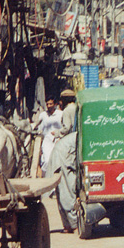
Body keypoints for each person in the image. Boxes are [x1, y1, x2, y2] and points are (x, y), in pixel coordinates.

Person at [45, 90, 78, 232]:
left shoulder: (67, 111)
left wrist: (56, 133)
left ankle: (71, 223)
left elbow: (67, 128)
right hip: (76, 146)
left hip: (68, 148)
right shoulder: (78, 108)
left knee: (64, 184)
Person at [36, 96, 63, 175]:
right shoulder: (43, 115)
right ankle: (46, 180)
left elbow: (65, 127)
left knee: (57, 161)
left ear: (55, 104)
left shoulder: (60, 114)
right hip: (47, 140)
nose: (49, 106)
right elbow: (38, 127)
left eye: (51, 104)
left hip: (58, 139)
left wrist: (60, 137)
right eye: (47, 104)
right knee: (46, 161)